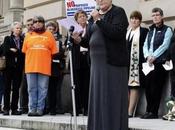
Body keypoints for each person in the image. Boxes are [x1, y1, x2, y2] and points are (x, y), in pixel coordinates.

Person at [72, 0, 129, 129]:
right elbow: (89, 41)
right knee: (98, 97)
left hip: (112, 63)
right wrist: (79, 40)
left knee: (110, 96)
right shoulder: (94, 16)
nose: (100, 0)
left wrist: (98, 20)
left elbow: (117, 33)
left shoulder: (118, 12)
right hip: (96, 65)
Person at [22, 16, 58, 116]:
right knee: (31, 88)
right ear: (33, 24)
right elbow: (24, 51)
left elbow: (54, 51)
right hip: (30, 66)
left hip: (44, 66)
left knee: (43, 89)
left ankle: (40, 109)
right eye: (35, 22)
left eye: (40, 21)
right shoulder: (28, 35)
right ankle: (32, 109)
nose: (37, 23)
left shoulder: (49, 35)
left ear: (43, 23)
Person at [141, 7, 173, 119]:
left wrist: (154, 56)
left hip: (159, 63)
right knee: (148, 87)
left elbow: (165, 45)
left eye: (157, 15)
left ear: (162, 16)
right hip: (149, 63)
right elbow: (145, 45)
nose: (155, 17)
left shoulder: (167, 29)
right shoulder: (150, 30)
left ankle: (154, 112)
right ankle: (148, 110)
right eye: (153, 15)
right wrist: (147, 56)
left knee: (156, 88)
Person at [126, 11, 148, 117]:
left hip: (137, 64)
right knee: (126, 87)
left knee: (134, 86)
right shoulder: (127, 32)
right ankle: (125, 109)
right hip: (126, 64)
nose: (134, 20)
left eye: (136, 18)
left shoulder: (144, 31)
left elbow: (146, 47)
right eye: (132, 18)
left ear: (140, 21)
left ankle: (130, 112)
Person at [3, 22, 24, 115]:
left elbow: (23, 53)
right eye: (16, 28)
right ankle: (6, 108)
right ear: (12, 29)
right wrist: (12, 51)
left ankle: (14, 108)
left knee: (16, 89)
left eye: (20, 28)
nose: (18, 30)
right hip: (8, 67)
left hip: (18, 68)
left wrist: (14, 50)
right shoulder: (7, 38)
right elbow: (5, 50)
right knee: (7, 88)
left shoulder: (23, 39)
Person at [71, 10, 90, 116]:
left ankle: (87, 108)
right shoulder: (74, 29)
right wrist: (73, 36)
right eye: (80, 17)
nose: (82, 18)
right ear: (77, 20)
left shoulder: (90, 27)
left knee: (87, 85)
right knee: (77, 85)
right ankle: (77, 108)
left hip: (87, 58)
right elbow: (69, 43)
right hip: (77, 59)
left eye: (84, 16)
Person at [45, 21, 65, 115]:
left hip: (55, 68)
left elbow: (60, 54)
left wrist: (50, 54)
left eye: (53, 29)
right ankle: (46, 107)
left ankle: (54, 108)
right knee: (45, 88)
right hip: (44, 67)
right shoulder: (43, 40)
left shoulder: (58, 42)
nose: (51, 31)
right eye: (49, 29)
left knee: (54, 89)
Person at [19, 18, 34, 114]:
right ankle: (23, 107)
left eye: (31, 24)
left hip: (34, 63)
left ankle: (32, 107)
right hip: (24, 64)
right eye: (27, 25)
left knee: (33, 87)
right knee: (24, 86)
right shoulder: (22, 36)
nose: (29, 26)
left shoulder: (38, 35)